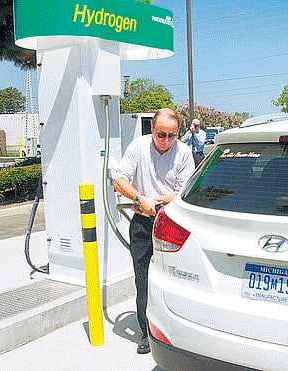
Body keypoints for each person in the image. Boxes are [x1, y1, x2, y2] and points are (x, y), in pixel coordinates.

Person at [112, 108, 195, 354]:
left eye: (172, 135)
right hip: (143, 222)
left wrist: (158, 202)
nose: (167, 141)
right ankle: (146, 332)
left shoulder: (184, 152)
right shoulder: (138, 147)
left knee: (180, 277)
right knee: (144, 279)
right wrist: (140, 198)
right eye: (161, 135)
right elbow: (119, 180)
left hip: (172, 223)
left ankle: (179, 329)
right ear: (152, 130)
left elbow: (184, 190)